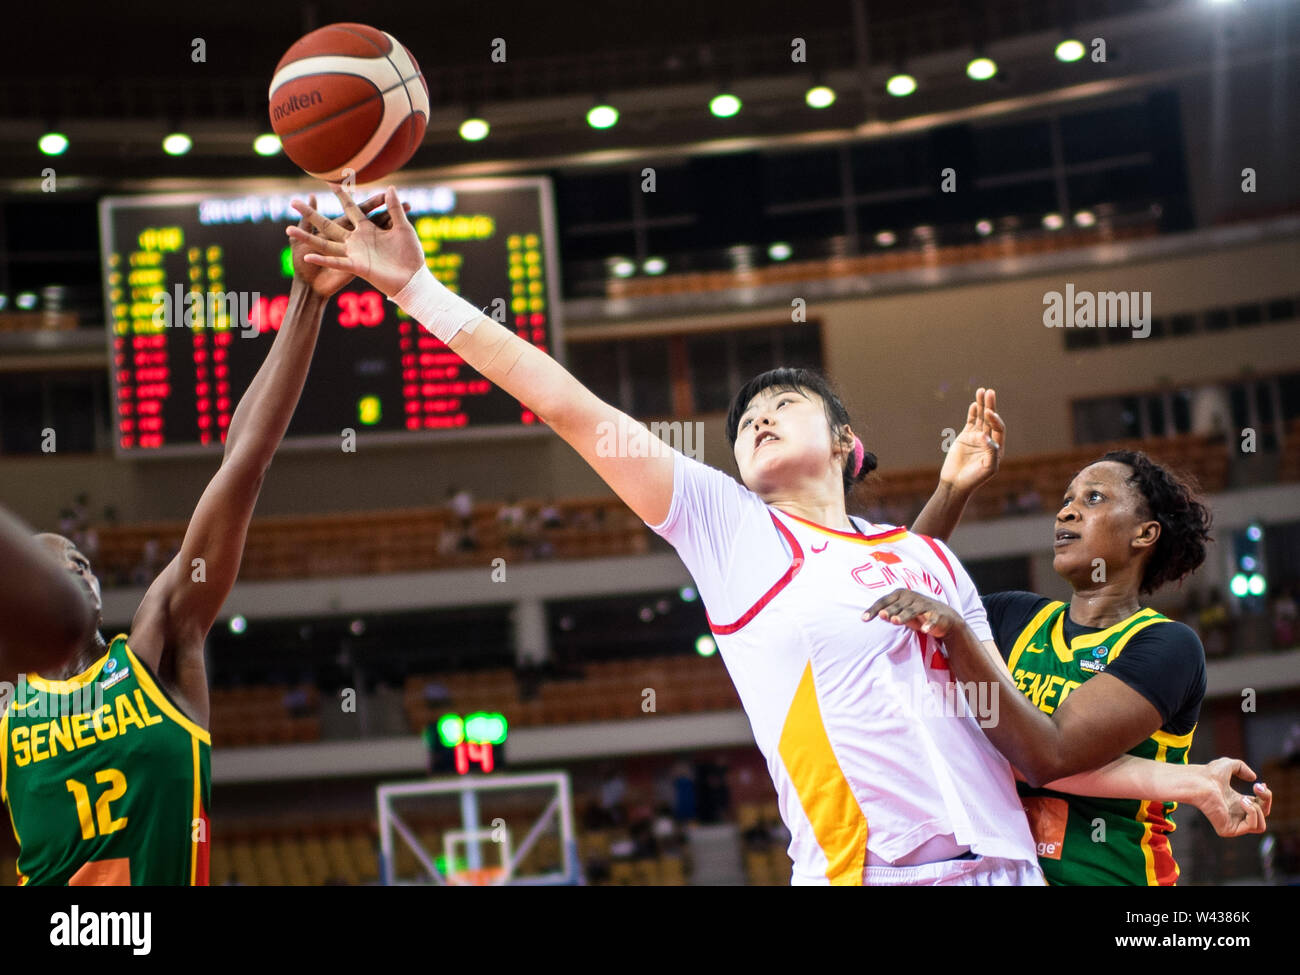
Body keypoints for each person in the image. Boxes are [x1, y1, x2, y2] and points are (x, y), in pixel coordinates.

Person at [287, 185, 1266, 886]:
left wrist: (1185, 782)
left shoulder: (929, 562)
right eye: (741, 417)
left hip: (1007, 868)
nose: (753, 415)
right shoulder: (734, 533)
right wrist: (420, 291)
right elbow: (570, 407)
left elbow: (1022, 748)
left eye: (781, 402)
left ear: (846, 443)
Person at [0, 193, 399, 886]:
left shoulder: (158, 640)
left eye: (77, 563)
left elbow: (242, 460)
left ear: (94, 588)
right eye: (46, 565)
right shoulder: (8, 706)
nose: (67, 571)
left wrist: (306, 300)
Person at [884, 387, 1272, 885]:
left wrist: (957, 633)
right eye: (1066, 501)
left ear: (1144, 534)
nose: (1066, 512)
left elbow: (1049, 755)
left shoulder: (1166, 646)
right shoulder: (1012, 617)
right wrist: (954, 489)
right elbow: (903, 599)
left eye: (1093, 499)